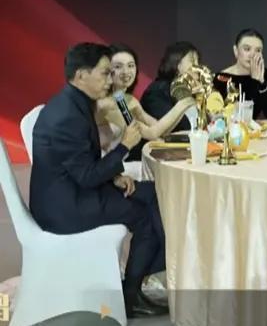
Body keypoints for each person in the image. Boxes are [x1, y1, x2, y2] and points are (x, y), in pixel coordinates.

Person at [29, 43, 168, 317]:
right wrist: (125, 146)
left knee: (157, 193)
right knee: (145, 217)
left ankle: (145, 275)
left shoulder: (74, 103)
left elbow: (80, 163)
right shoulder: (68, 115)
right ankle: (131, 296)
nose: (111, 79)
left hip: (74, 189)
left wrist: (114, 175)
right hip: (66, 206)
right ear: (81, 75)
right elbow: (86, 176)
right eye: (106, 73)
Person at [95, 44, 195, 160]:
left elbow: (156, 130)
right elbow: (152, 132)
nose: (126, 71)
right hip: (105, 166)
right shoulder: (104, 103)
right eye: (118, 66)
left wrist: (184, 104)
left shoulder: (127, 100)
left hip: (119, 163)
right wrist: (184, 103)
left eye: (130, 66)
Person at [213, 28, 267, 119]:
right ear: (236, 51)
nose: (252, 54)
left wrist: (261, 82)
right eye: (247, 49)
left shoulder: (266, 75)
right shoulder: (221, 78)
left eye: (258, 50)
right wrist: (254, 82)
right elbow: (242, 115)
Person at [140, 41, 201, 129]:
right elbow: (180, 127)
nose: (198, 66)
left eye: (198, 61)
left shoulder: (193, 92)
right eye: (192, 61)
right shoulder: (156, 91)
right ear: (177, 63)